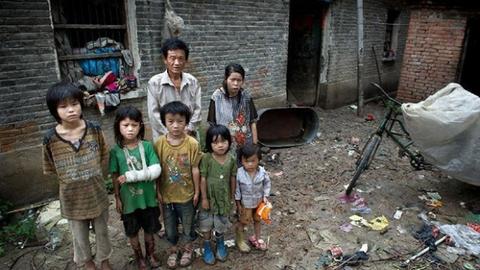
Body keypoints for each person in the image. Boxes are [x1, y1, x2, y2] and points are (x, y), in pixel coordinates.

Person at [42, 82, 112, 270]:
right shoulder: (50, 138)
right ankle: (88, 264)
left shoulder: (95, 129)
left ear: (81, 104)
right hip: (72, 198)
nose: (71, 110)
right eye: (63, 106)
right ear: (54, 110)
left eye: (74, 104)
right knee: (79, 236)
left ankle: (104, 261)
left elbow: (103, 155)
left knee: (102, 232)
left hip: (96, 193)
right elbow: (51, 167)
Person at [109, 106, 162, 270]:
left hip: (148, 199)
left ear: (140, 126)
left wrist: (158, 193)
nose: (130, 129)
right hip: (129, 201)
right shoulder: (116, 151)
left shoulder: (147, 146)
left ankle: (150, 254)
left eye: (134, 124)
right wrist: (117, 197)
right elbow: (114, 175)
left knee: (150, 228)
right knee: (132, 231)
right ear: (118, 126)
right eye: (125, 125)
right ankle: (139, 258)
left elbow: (156, 170)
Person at [154, 101, 201, 269]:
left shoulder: (192, 144)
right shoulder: (159, 143)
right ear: (164, 122)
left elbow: (195, 168)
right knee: (170, 226)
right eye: (170, 121)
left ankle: (188, 249)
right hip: (167, 196)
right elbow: (157, 169)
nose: (175, 125)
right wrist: (158, 191)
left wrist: (196, 192)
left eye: (180, 121)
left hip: (187, 194)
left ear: (186, 122)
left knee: (188, 224)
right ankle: (173, 250)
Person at [147, 37, 202, 142]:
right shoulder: (154, 83)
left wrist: (188, 129)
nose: (177, 63)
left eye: (181, 58)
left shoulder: (193, 82)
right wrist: (171, 133)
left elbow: (197, 110)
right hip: (165, 140)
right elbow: (154, 115)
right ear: (165, 59)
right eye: (172, 58)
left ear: (186, 60)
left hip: (189, 138)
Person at [199, 124, 237, 265]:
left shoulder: (231, 159)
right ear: (209, 144)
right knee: (206, 223)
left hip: (223, 198)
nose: (220, 145)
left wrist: (231, 196)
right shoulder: (207, 158)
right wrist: (204, 198)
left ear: (229, 142)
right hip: (208, 198)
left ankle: (220, 243)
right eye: (215, 142)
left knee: (221, 222)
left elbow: (233, 178)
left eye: (223, 141)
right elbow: (202, 178)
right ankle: (207, 246)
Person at [207, 63, 258, 161]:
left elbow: (253, 121)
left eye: (239, 80)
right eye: (232, 80)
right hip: (224, 146)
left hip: (245, 145)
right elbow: (212, 125)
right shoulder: (217, 97)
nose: (236, 83)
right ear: (226, 79)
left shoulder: (246, 96)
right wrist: (212, 148)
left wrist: (255, 146)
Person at [234, 144, 271, 252]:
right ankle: (240, 240)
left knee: (257, 220)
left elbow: (267, 184)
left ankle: (257, 238)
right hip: (246, 204)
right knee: (244, 221)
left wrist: (265, 196)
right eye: (246, 161)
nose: (250, 164)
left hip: (259, 202)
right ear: (241, 160)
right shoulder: (239, 173)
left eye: (253, 161)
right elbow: (237, 190)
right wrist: (238, 204)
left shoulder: (262, 172)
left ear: (259, 159)